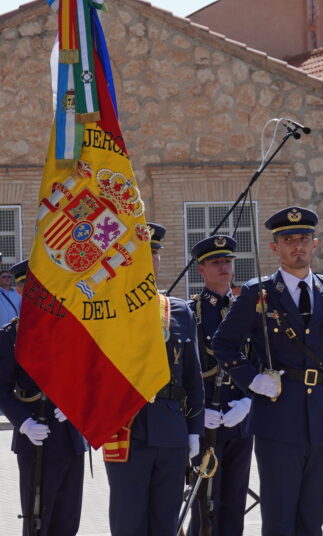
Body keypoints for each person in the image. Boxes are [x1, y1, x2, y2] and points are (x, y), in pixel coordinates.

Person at [211, 207, 323, 536]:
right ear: (274, 248)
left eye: (304, 239)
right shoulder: (257, 292)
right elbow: (223, 344)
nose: (297, 246)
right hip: (277, 417)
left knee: (313, 516)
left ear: (315, 244)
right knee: (279, 518)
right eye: (288, 239)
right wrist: (252, 379)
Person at [104, 224, 204, 536]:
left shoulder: (179, 310)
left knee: (166, 522)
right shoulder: (107, 310)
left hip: (171, 430)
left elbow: (193, 377)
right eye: (140, 255)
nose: (150, 261)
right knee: (128, 520)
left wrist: (194, 432)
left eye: (154, 254)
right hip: (126, 428)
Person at [0, 259, 86, 536]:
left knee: (68, 521)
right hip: (36, 436)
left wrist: (76, 405)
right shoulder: (12, 335)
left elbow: (89, 376)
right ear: (21, 291)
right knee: (37, 521)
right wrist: (23, 423)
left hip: (70, 435)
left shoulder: (72, 328)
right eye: (32, 287)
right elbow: (1, 388)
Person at [187, 235, 255, 536]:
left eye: (227, 261)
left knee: (234, 499)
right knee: (203, 501)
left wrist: (249, 401)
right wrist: (196, 411)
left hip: (239, 417)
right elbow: (183, 369)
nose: (223, 267)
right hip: (207, 418)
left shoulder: (249, 310)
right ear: (201, 270)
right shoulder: (190, 313)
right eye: (215, 262)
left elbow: (262, 361)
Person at [0, 255, 21, 330]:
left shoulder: (17, 294)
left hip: (15, 329)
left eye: (9, 277)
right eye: (4, 277)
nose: (7, 278)